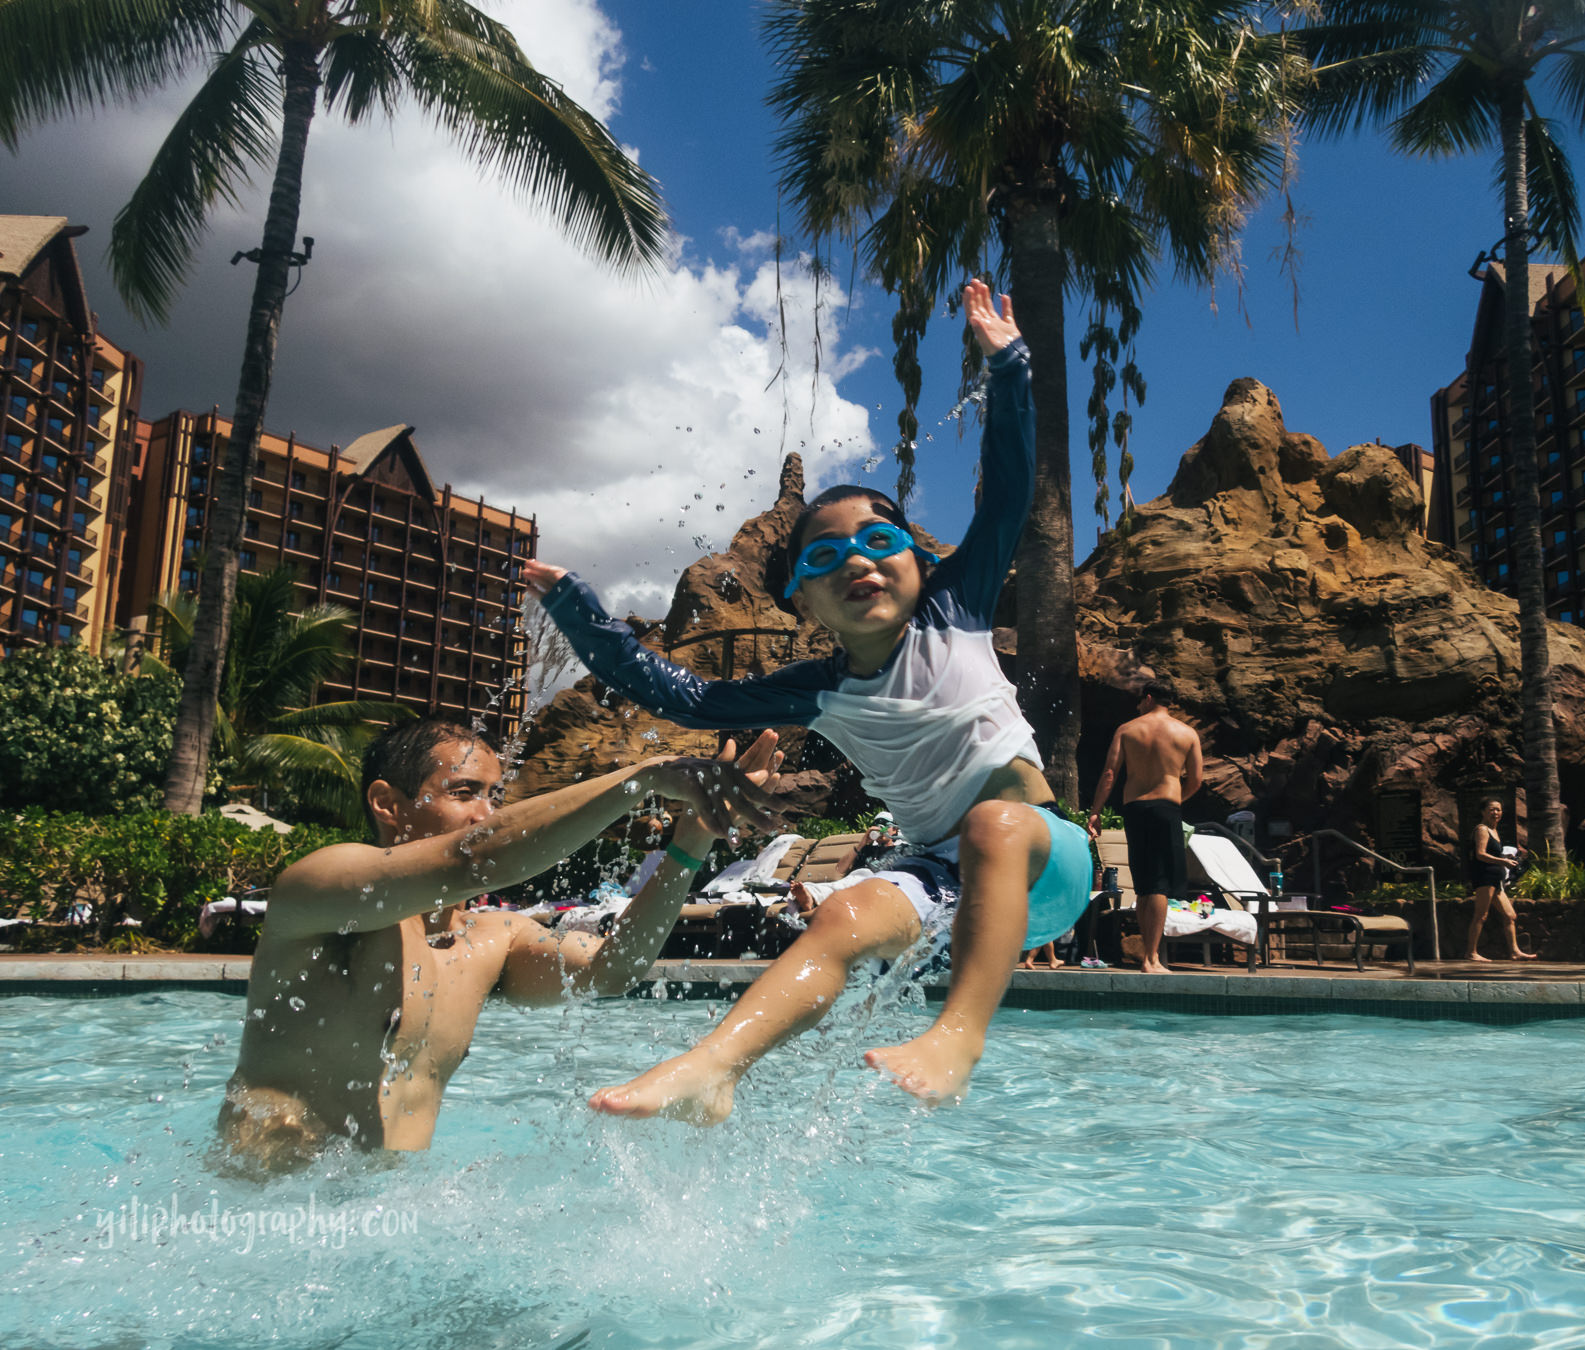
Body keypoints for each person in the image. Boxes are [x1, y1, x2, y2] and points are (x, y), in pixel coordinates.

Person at [523, 280, 1092, 1121]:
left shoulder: (957, 606)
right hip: (944, 877)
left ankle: (956, 1036)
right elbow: (674, 690)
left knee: (992, 824)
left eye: (880, 540)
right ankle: (712, 1068)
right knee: (842, 915)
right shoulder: (816, 691)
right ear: (800, 599)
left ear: (916, 560)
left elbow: (1008, 489)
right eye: (826, 559)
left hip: (1046, 858)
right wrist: (576, 605)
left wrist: (1009, 364)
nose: (858, 561)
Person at [216, 716, 785, 1171]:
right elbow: (478, 857)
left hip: (389, 1213)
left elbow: (614, 971)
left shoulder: (490, 940)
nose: (488, 814)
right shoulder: (325, 890)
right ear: (388, 804)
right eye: (464, 792)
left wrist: (691, 841)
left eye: (495, 795)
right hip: (267, 1204)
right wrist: (646, 777)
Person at [1084, 680, 1204, 974]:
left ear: (1148, 699)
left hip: (1135, 809)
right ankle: (1152, 958)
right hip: (1167, 809)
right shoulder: (1187, 733)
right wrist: (1175, 798)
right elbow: (1197, 780)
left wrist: (1096, 812)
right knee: (1160, 884)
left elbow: (1110, 773)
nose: (1138, 705)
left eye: (1140, 700)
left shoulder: (1127, 730)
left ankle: (1148, 958)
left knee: (1144, 884)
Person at [1465, 798, 1535, 961]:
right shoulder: (1482, 829)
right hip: (1484, 877)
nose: (1495, 813)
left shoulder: (1494, 830)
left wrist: (1505, 859)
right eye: (1491, 809)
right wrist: (1502, 861)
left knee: (1510, 916)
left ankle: (1514, 952)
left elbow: (1492, 853)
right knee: (1481, 915)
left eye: (1498, 810)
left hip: (1496, 879)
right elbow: (1480, 854)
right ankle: (1471, 952)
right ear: (1483, 812)